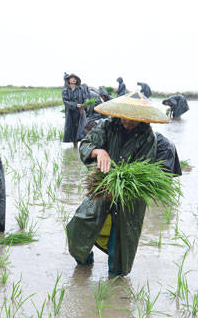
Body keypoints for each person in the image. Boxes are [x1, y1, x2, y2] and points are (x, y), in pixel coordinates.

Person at [66, 93, 170, 276]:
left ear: (141, 118)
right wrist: (98, 152)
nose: (128, 122)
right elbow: (85, 145)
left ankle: (115, 284)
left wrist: (119, 191)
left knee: (122, 241)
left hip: (130, 194)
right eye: (125, 118)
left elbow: (142, 173)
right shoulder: (107, 126)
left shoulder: (148, 137)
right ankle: (84, 261)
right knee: (80, 225)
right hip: (103, 184)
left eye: (133, 119)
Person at [62, 73, 90, 148]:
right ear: (68, 80)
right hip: (71, 113)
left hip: (80, 112)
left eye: (75, 78)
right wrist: (75, 105)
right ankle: (75, 147)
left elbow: (85, 98)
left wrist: (84, 104)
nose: (74, 79)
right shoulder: (65, 91)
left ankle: (83, 147)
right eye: (72, 78)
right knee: (73, 130)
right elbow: (65, 101)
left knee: (82, 129)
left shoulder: (81, 89)